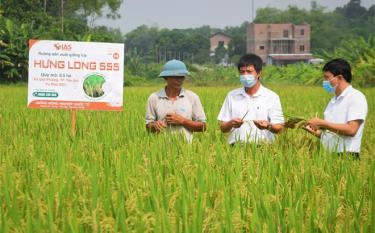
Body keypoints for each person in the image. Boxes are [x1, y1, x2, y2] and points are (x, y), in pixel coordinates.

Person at [304, 58, 368, 159]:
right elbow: (332, 134)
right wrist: (312, 130)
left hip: (346, 156)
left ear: (339, 78)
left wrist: (323, 123)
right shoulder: (333, 101)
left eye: (327, 77)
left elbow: (351, 130)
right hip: (328, 156)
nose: (324, 81)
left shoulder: (356, 97)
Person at [217, 53, 284, 145]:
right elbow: (223, 128)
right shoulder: (232, 95)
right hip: (236, 148)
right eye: (242, 72)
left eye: (249, 71)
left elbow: (279, 128)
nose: (245, 75)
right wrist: (231, 123)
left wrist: (268, 126)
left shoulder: (271, 97)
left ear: (259, 73)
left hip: (263, 149)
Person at [145, 59, 206, 142]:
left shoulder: (192, 97)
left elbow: (203, 127)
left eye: (182, 77)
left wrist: (182, 120)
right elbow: (148, 126)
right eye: (176, 77)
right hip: (160, 149)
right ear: (166, 77)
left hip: (186, 149)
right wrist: (155, 125)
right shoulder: (154, 98)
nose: (179, 80)